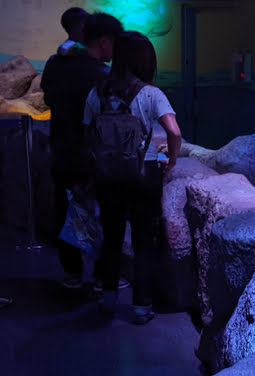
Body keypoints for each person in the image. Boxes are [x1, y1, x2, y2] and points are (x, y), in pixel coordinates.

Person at [83, 30, 181, 325]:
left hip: (107, 176)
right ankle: (141, 307)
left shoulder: (97, 91)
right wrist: (172, 158)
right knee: (143, 242)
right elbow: (174, 131)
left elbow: (86, 131)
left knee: (111, 237)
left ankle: (109, 299)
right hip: (143, 174)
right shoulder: (151, 94)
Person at [41, 12, 123, 290]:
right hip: (92, 155)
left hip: (62, 150)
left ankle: (72, 274)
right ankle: (103, 277)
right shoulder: (99, 73)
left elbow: (47, 97)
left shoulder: (54, 64)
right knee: (103, 215)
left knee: (65, 211)